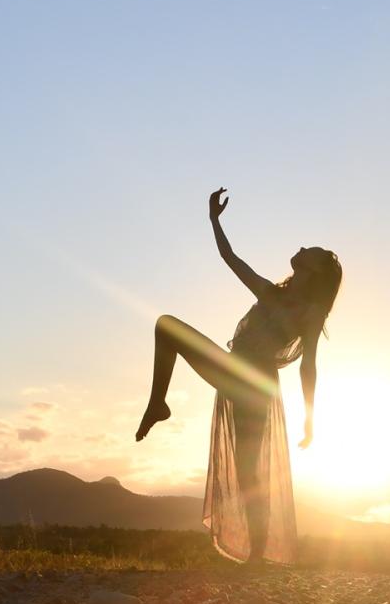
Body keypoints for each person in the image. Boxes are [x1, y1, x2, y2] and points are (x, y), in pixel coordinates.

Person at [135, 188, 341, 564]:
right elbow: (230, 258)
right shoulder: (271, 293)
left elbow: (308, 365)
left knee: (249, 471)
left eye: (308, 250)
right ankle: (157, 403)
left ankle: (257, 554)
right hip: (234, 367)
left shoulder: (310, 312)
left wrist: (310, 418)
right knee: (167, 326)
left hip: (255, 384)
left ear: (315, 271)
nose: (301, 247)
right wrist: (214, 220)